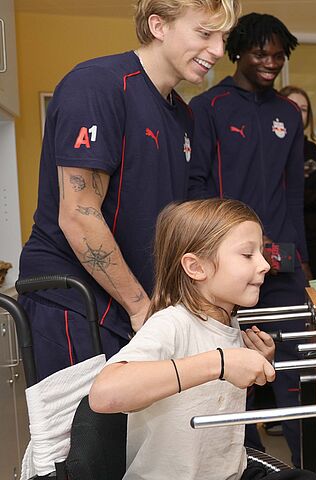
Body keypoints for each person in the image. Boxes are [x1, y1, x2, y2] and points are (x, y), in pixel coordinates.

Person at [17, 0, 240, 382]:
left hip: (138, 302)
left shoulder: (182, 115)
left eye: (223, 37)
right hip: (75, 300)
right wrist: (141, 308)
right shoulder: (97, 86)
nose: (219, 51)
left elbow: (174, 223)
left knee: (133, 439)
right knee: (83, 439)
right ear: (159, 25)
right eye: (205, 34)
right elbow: (78, 214)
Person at [88, 198, 316, 479]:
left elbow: (208, 398)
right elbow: (104, 394)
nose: (265, 265)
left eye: (262, 252)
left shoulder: (228, 322)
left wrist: (254, 366)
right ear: (196, 268)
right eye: (248, 255)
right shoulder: (171, 323)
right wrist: (221, 362)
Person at [188, 12, 306, 466]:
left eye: (278, 55)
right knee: (238, 383)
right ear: (237, 52)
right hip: (225, 271)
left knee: (293, 374)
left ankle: (305, 466)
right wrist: (211, 254)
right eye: (261, 53)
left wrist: (303, 262)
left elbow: (293, 191)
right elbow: (196, 187)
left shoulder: (288, 113)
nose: (270, 62)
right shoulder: (208, 108)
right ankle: (246, 468)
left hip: (283, 268)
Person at [279, 85, 316, 282]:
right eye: (292, 106)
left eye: (303, 109)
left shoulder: (312, 152)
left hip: (312, 240)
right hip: (278, 239)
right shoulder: (269, 149)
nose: (297, 113)